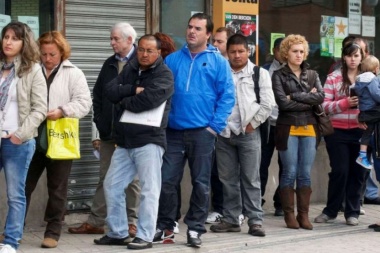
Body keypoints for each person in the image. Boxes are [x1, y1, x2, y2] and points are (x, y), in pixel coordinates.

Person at [154, 13, 235, 247]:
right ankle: (166, 226)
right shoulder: (172, 60)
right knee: (167, 181)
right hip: (173, 132)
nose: (192, 32)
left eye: (198, 28)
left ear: (208, 34)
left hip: (203, 133)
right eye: (190, 27)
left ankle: (195, 229)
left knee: (201, 183)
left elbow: (227, 97)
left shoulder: (219, 61)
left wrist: (214, 128)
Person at [94, 34, 174, 250]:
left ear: (158, 53)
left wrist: (123, 101)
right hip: (125, 141)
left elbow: (148, 101)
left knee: (149, 190)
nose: (144, 54)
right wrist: (130, 90)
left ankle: (145, 236)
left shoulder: (164, 75)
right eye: (141, 50)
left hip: (149, 141)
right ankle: (118, 232)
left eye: (150, 51)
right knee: (112, 185)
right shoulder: (130, 68)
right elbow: (109, 91)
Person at [68, 22, 141, 241]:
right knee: (105, 177)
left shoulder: (142, 62)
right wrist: (100, 123)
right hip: (109, 133)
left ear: (129, 40)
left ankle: (131, 223)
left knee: (133, 181)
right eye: (111, 38)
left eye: (115, 39)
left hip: (133, 134)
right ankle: (96, 222)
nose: (111, 42)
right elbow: (98, 96)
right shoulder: (109, 64)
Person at [24, 31, 92, 248]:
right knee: (23, 185)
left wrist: (63, 110)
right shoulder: (31, 70)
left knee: (58, 187)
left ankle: (53, 231)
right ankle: (12, 229)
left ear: (62, 52)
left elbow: (84, 103)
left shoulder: (74, 73)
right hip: (32, 134)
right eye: (43, 54)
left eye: (52, 54)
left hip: (60, 136)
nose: (47, 58)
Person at [209, 34, 275, 236]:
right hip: (224, 133)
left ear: (249, 51)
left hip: (249, 133)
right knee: (227, 179)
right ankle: (231, 219)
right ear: (226, 53)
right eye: (232, 52)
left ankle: (255, 221)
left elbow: (267, 104)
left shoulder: (259, 73)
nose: (237, 55)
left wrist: (252, 125)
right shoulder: (220, 72)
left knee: (251, 179)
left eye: (241, 51)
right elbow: (211, 99)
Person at [0, 21, 47, 253]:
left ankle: (10, 241)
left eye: (14, 38)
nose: (8, 42)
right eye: (6, 36)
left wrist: (20, 135)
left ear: (24, 42)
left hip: (17, 141)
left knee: (15, 194)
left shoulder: (32, 70)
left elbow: (40, 109)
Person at [272, 34, 324, 230]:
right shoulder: (278, 75)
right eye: (295, 51)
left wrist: (293, 95)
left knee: (304, 173)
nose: (299, 55)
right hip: (287, 127)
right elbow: (282, 104)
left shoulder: (312, 74)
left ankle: (304, 215)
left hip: (310, 126)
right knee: (290, 171)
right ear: (286, 53)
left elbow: (319, 97)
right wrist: (306, 99)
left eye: (302, 51)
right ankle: (289, 215)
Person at [314, 41, 367, 226]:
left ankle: (353, 212)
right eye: (349, 55)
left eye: (356, 55)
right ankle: (331, 210)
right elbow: (324, 105)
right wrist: (344, 103)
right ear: (344, 57)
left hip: (361, 132)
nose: (353, 59)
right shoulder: (334, 77)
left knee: (358, 172)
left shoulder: (368, 78)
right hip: (336, 131)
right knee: (340, 171)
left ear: (362, 57)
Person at [206, 26, 235, 225]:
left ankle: (231, 210)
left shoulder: (234, 66)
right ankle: (218, 208)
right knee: (215, 170)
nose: (215, 45)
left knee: (231, 173)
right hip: (212, 126)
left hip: (233, 128)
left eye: (220, 41)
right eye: (214, 41)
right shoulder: (210, 63)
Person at [152, 32, 181, 233]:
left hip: (170, 128)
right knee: (163, 177)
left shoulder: (168, 69)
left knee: (169, 176)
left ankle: (170, 218)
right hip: (154, 129)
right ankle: (164, 218)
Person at [260, 37, 285, 216]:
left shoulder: (297, 72)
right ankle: (256, 200)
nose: (283, 53)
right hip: (266, 123)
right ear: (274, 51)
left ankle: (281, 202)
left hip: (286, 123)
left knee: (286, 165)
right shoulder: (264, 71)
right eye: (280, 49)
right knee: (261, 163)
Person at [354, 55, 380, 170]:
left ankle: (362, 155)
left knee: (367, 132)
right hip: (372, 111)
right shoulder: (372, 79)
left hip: (364, 112)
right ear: (375, 68)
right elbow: (376, 95)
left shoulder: (359, 79)